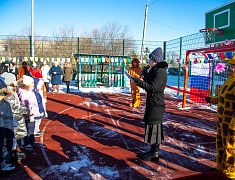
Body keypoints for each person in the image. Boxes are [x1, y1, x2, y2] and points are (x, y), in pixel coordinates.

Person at [125, 47, 168, 162]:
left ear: (155, 61)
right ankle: (152, 150)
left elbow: (152, 88)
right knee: (151, 125)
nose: (149, 61)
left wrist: (138, 81)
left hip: (157, 104)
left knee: (155, 127)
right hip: (152, 102)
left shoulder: (161, 72)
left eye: (150, 60)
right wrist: (144, 73)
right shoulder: (155, 70)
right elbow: (149, 82)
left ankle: (155, 153)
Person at [205, 56, 235, 179]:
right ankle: (220, 167)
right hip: (222, 121)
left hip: (231, 124)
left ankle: (230, 173)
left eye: (232, 65)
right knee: (221, 145)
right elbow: (223, 98)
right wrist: (212, 100)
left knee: (231, 148)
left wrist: (233, 126)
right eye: (230, 65)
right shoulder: (230, 80)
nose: (229, 67)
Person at [0, 79, 16, 173]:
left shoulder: (5, 104)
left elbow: (8, 120)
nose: (1, 97)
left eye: (3, 94)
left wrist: (10, 136)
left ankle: (2, 165)